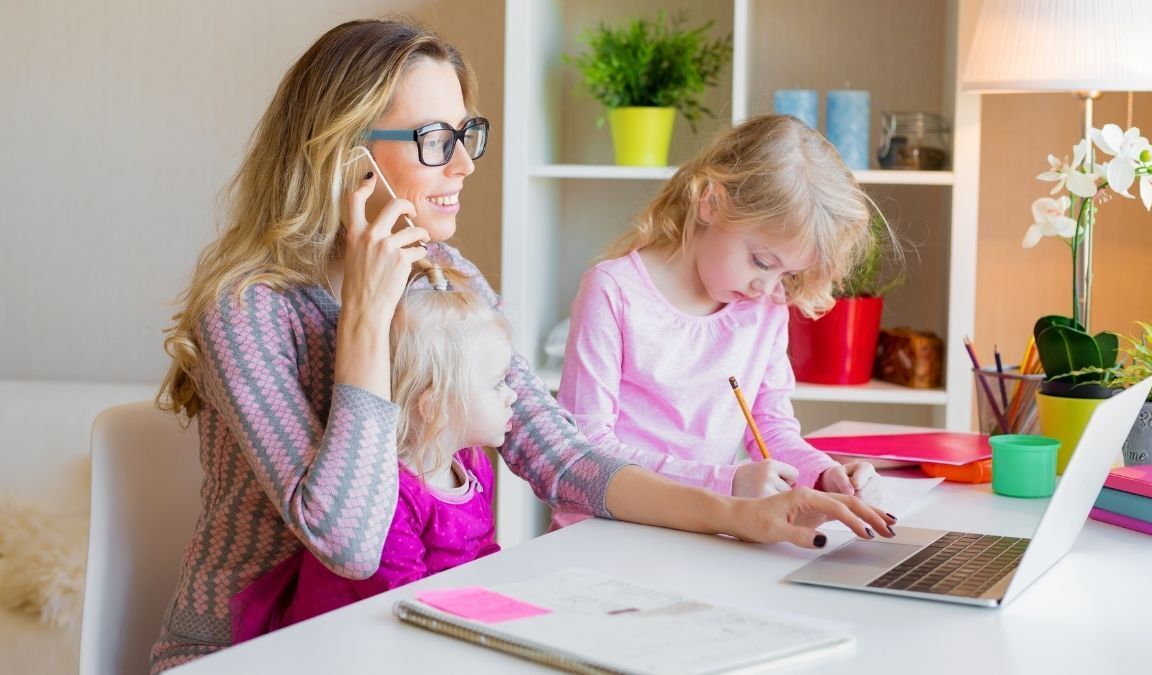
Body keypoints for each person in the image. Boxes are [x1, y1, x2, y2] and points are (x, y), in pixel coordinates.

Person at [150, 19, 894, 672]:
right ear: (347, 157)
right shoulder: (250, 310)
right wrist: (365, 324)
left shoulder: (446, 280)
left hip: (394, 632)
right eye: (434, 140)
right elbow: (349, 543)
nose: (466, 164)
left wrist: (741, 512)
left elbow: (564, 455)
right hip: (252, 652)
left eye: (466, 134)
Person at [552, 115, 886, 529]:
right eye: (762, 262)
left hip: (703, 531)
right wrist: (725, 484)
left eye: (787, 274)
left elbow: (772, 429)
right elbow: (586, 451)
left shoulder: (766, 307)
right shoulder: (614, 291)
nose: (767, 287)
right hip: (606, 530)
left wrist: (822, 473)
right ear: (711, 202)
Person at [228, 267, 511, 642]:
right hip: (343, 646)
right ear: (435, 405)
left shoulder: (472, 466)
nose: (512, 395)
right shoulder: (388, 493)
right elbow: (403, 600)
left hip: (421, 634)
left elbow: (484, 555)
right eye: (497, 385)